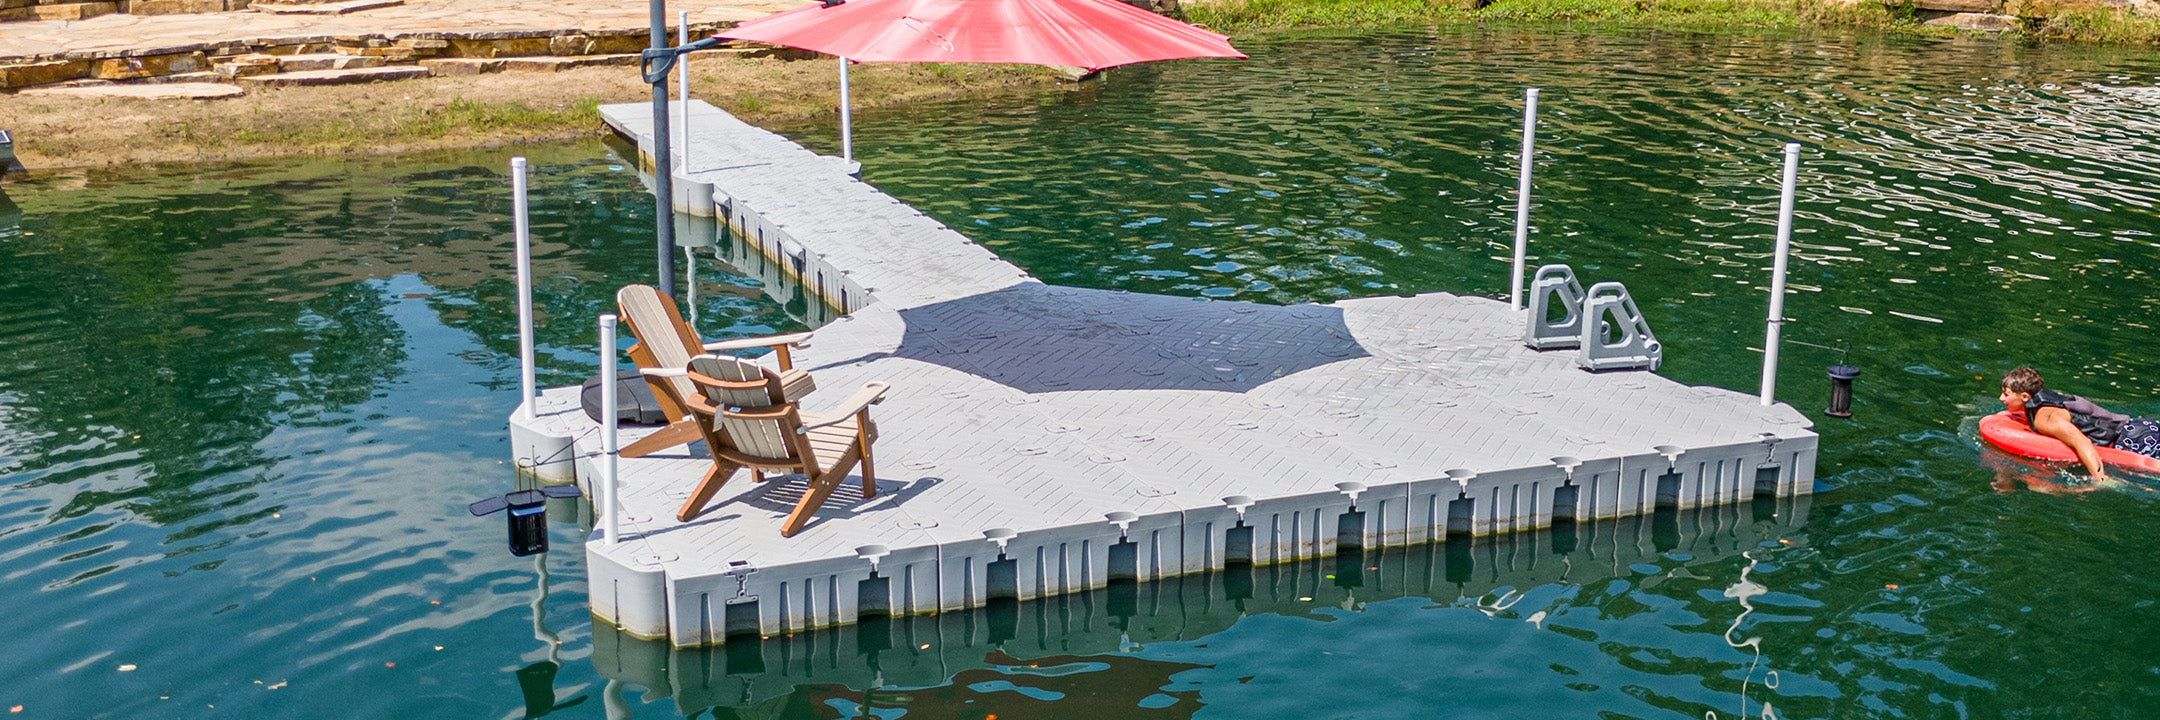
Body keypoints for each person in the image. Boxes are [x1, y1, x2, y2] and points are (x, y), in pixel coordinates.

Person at [1998, 367, 2160, 484]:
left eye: (2006, 394)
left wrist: (2100, 478)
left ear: (2025, 396)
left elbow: (2082, 442)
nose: (2001, 399)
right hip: (2139, 427)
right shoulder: (2048, 398)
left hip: (2134, 441)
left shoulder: (2045, 418)